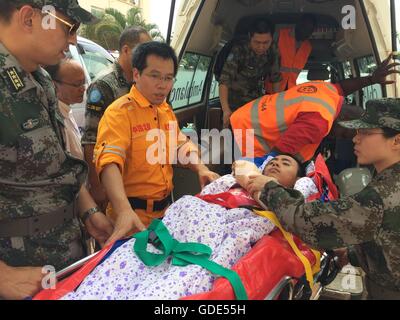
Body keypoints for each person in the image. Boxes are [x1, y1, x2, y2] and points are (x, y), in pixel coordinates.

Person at [59, 154, 318, 300]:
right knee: (118, 272)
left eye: (286, 165)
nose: (276, 164)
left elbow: (306, 194)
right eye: (274, 160)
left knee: (162, 293)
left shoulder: (287, 200)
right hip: (169, 236)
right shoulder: (231, 181)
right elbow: (199, 199)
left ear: (294, 180)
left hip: (207, 250)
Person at [251, 98, 400, 299]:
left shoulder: (384, 195)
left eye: (365, 133)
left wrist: (268, 188)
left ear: (396, 141)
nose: (355, 139)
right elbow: (387, 237)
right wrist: (352, 254)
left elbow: (302, 220)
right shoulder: (388, 180)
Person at [0, 0, 97, 300]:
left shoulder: (40, 78)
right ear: (29, 18)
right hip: (21, 275)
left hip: (64, 264)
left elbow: (57, 164)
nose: (73, 40)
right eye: (69, 28)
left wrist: (90, 212)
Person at [94, 41, 220, 244]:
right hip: (131, 220)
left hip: (165, 214)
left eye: (168, 78)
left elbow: (180, 146)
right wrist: (123, 210)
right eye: (154, 76)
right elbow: (109, 162)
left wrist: (201, 169)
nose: (163, 85)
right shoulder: (119, 113)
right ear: (136, 74)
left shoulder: (165, 110)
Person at [231, 53, 400, 164]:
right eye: (343, 133)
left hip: (245, 115)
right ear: (345, 119)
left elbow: (342, 86)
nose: (335, 137)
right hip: (247, 132)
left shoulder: (327, 92)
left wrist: (371, 79)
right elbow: (278, 154)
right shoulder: (318, 122)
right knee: (243, 177)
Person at [45, 59, 114, 249]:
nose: (82, 89)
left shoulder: (66, 112)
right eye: (76, 84)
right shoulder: (53, 118)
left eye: (83, 83)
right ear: (54, 84)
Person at [82, 26, 152, 210]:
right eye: (143, 49)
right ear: (126, 50)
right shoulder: (104, 85)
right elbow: (90, 140)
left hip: (138, 182)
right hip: (113, 181)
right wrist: (97, 186)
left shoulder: (141, 82)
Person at [218, 18, 282, 128]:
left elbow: (275, 78)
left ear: (272, 39)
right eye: (257, 42)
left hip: (255, 102)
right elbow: (224, 81)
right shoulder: (239, 50)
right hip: (234, 102)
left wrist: (278, 105)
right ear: (249, 37)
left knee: (251, 139)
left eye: (266, 42)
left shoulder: (273, 50)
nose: (261, 47)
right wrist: (226, 110)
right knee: (231, 137)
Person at [265, 14, 317, 93]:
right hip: (271, 89)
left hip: (290, 90)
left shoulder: (308, 47)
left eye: (310, 30)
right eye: (305, 27)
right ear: (298, 25)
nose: (307, 32)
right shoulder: (280, 34)